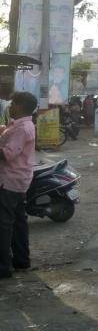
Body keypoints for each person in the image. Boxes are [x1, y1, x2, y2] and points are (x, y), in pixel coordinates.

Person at [0, 92, 38, 279]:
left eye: (13, 103)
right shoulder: (21, 125)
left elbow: (7, 154)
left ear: (20, 106)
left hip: (10, 181)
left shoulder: (22, 128)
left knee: (4, 225)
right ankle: (22, 261)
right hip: (19, 180)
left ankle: (3, 266)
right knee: (18, 223)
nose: (10, 106)